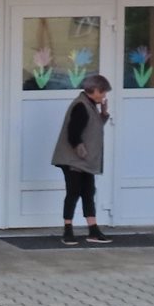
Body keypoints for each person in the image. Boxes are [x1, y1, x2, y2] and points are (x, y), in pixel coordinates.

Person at [51, 74, 113, 246]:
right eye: (103, 92)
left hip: (84, 161)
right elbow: (73, 132)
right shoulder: (81, 106)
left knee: (88, 192)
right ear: (95, 90)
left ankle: (93, 230)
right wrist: (81, 151)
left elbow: (92, 127)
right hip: (73, 161)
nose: (104, 96)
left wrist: (103, 114)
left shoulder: (89, 105)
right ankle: (67, 230)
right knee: (73, 192)